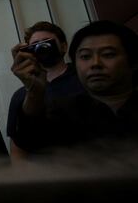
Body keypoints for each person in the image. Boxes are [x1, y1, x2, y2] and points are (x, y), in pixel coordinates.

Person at [11, 20, 138, 155]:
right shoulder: (67, 112)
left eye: (108, 54)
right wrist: (34, 92)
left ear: (133, 61)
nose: (95, 63)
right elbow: (29, 143)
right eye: (85, 56)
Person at [6, 22, 84, 161]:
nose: (42, 48)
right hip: (42, 174)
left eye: (47, 43)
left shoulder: (85, 79)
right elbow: (17, 147)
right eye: (35, 45)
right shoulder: (20, 95)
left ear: (64, 46)